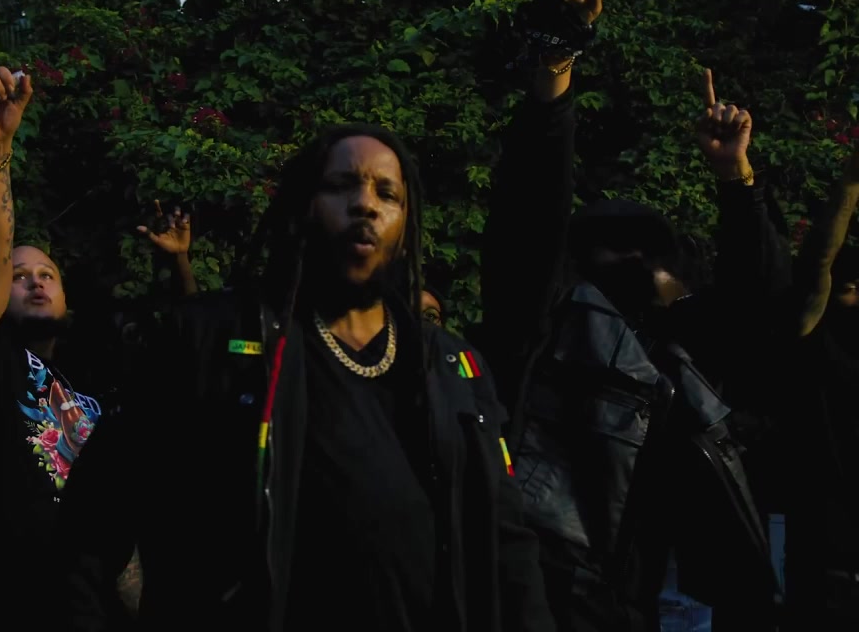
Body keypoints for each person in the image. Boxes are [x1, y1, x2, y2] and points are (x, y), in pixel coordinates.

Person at [53, 112, 555, 631]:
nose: (365, 204)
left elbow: (506, 544)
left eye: (387, 194)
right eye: (341, 186)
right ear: (301, 208)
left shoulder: (451, 368)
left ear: (406, 231)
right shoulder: (208, 340)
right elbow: (92, 523)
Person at [480, 0, 781, 632]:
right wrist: (559, 59)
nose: (646, 269)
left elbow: (761, 303)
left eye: (653, 254)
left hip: (656, 600)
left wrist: (737, 176)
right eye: (620, 252)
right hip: (550, 595)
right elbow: (531, 211)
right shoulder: (546, 331)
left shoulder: (681, 353)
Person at [0, 68, 191, 630]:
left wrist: (177, 263)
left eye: (47, 274)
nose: (36, 282)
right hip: (3, 604)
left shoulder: (91, 380)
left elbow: (186, 357)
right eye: (21, 276)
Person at [778, 150, 859, 630]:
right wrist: (850, 184)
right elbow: (817, 266)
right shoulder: (818, 341)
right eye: (850, 287)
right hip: (826, 572)